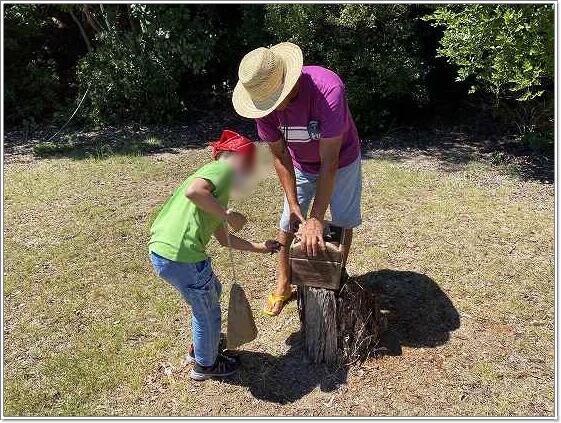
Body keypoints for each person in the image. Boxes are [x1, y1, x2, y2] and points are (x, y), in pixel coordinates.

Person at [232, 42, 362, 317]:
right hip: (301, 164)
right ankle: (284, 282)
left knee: (342, 220)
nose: (272, 108)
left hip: (342, 160)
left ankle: (335, 275)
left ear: (289, 81)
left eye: (275, 99)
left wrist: (316, 217)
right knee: (286, 224)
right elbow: (280, 156)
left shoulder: (328, 90)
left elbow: (331, 162)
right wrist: (293, 204)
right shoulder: (263, 107)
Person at [148, 129, 281, 380]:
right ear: (235, 157)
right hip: (182, 256)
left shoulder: (216, 194)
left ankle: (201, 346)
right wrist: (228, 214)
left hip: (164, 252)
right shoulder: (222, 170)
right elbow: (193, 192)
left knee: (211, 294)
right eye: (248, 162)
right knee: (207, 310)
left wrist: (258, 247)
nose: (247, 170)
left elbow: (223, 239)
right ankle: (205, 365)